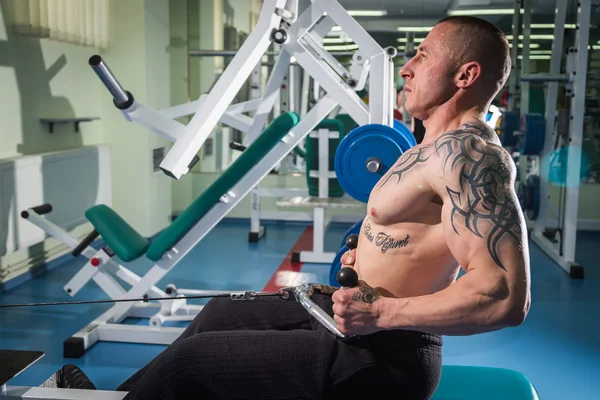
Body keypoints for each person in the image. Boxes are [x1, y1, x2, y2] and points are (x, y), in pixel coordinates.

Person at [55, 15, 531, 400]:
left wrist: (382, 313)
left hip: (382, 358)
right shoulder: (425, 145)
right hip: (348, 319)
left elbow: (505, 295)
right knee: (220, 314)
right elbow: (410, 241)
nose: (406, 68)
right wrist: (363, 259)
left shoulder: (470, 158)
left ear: (465, 75)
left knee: (191, 365)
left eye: (422, 56)